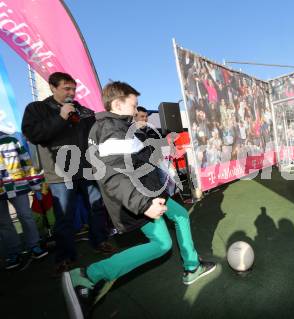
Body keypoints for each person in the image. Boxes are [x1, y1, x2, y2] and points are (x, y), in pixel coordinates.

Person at [61, 81, 216, 318]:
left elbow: (140, 156)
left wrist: (165, 148)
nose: (136, 111)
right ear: (117, 104)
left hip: (151, 192)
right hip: (141, 199)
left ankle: (192, 266)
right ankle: (89, 275)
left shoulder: (120, 126)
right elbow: (113, 176)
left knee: (182, 215)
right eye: (133, 106)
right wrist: (144, 204)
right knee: (161, 245)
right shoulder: (110, 130)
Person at [21, 72, 115, 274]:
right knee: (64, 217)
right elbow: (33, 134)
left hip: (87, 169)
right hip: (60, 174)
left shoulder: (83, 111)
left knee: (96, 207)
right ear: (53, 87)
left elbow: (98, 136)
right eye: (66, 88)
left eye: (73, 88)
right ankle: (65, 256)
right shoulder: (37, 108)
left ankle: (100, 240)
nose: (72, 92)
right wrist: (61, 117)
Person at [0, 131, 48, 270]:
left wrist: (34, 183)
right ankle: (13, 252)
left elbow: (26, 161)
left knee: (26, 215)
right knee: (3, 223)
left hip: (18, 185)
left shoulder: (10, 140)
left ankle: (34, 245)